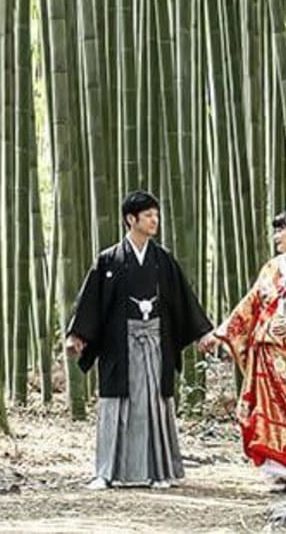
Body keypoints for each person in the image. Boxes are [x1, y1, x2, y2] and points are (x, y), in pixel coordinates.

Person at [66, 190, 213, 490]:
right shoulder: (108, 260)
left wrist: (202, 333)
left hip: (155, 341)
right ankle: (107, 472)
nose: (154, 220)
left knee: (154, 404)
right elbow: (90, 302)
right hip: (119, 343)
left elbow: (183, 300)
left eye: (156, 215)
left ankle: (158, 471)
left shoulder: (163, 260)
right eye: (148, 216)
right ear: (130, 219)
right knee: (114, 405)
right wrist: (77, 335)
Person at [198, 207, 286, 492]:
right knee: (265, 408)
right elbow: (251, 303)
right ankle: (276, 467)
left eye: (281, 231)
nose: (276, 237)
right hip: (265, 349)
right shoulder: (272, 268)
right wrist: (221, 332)